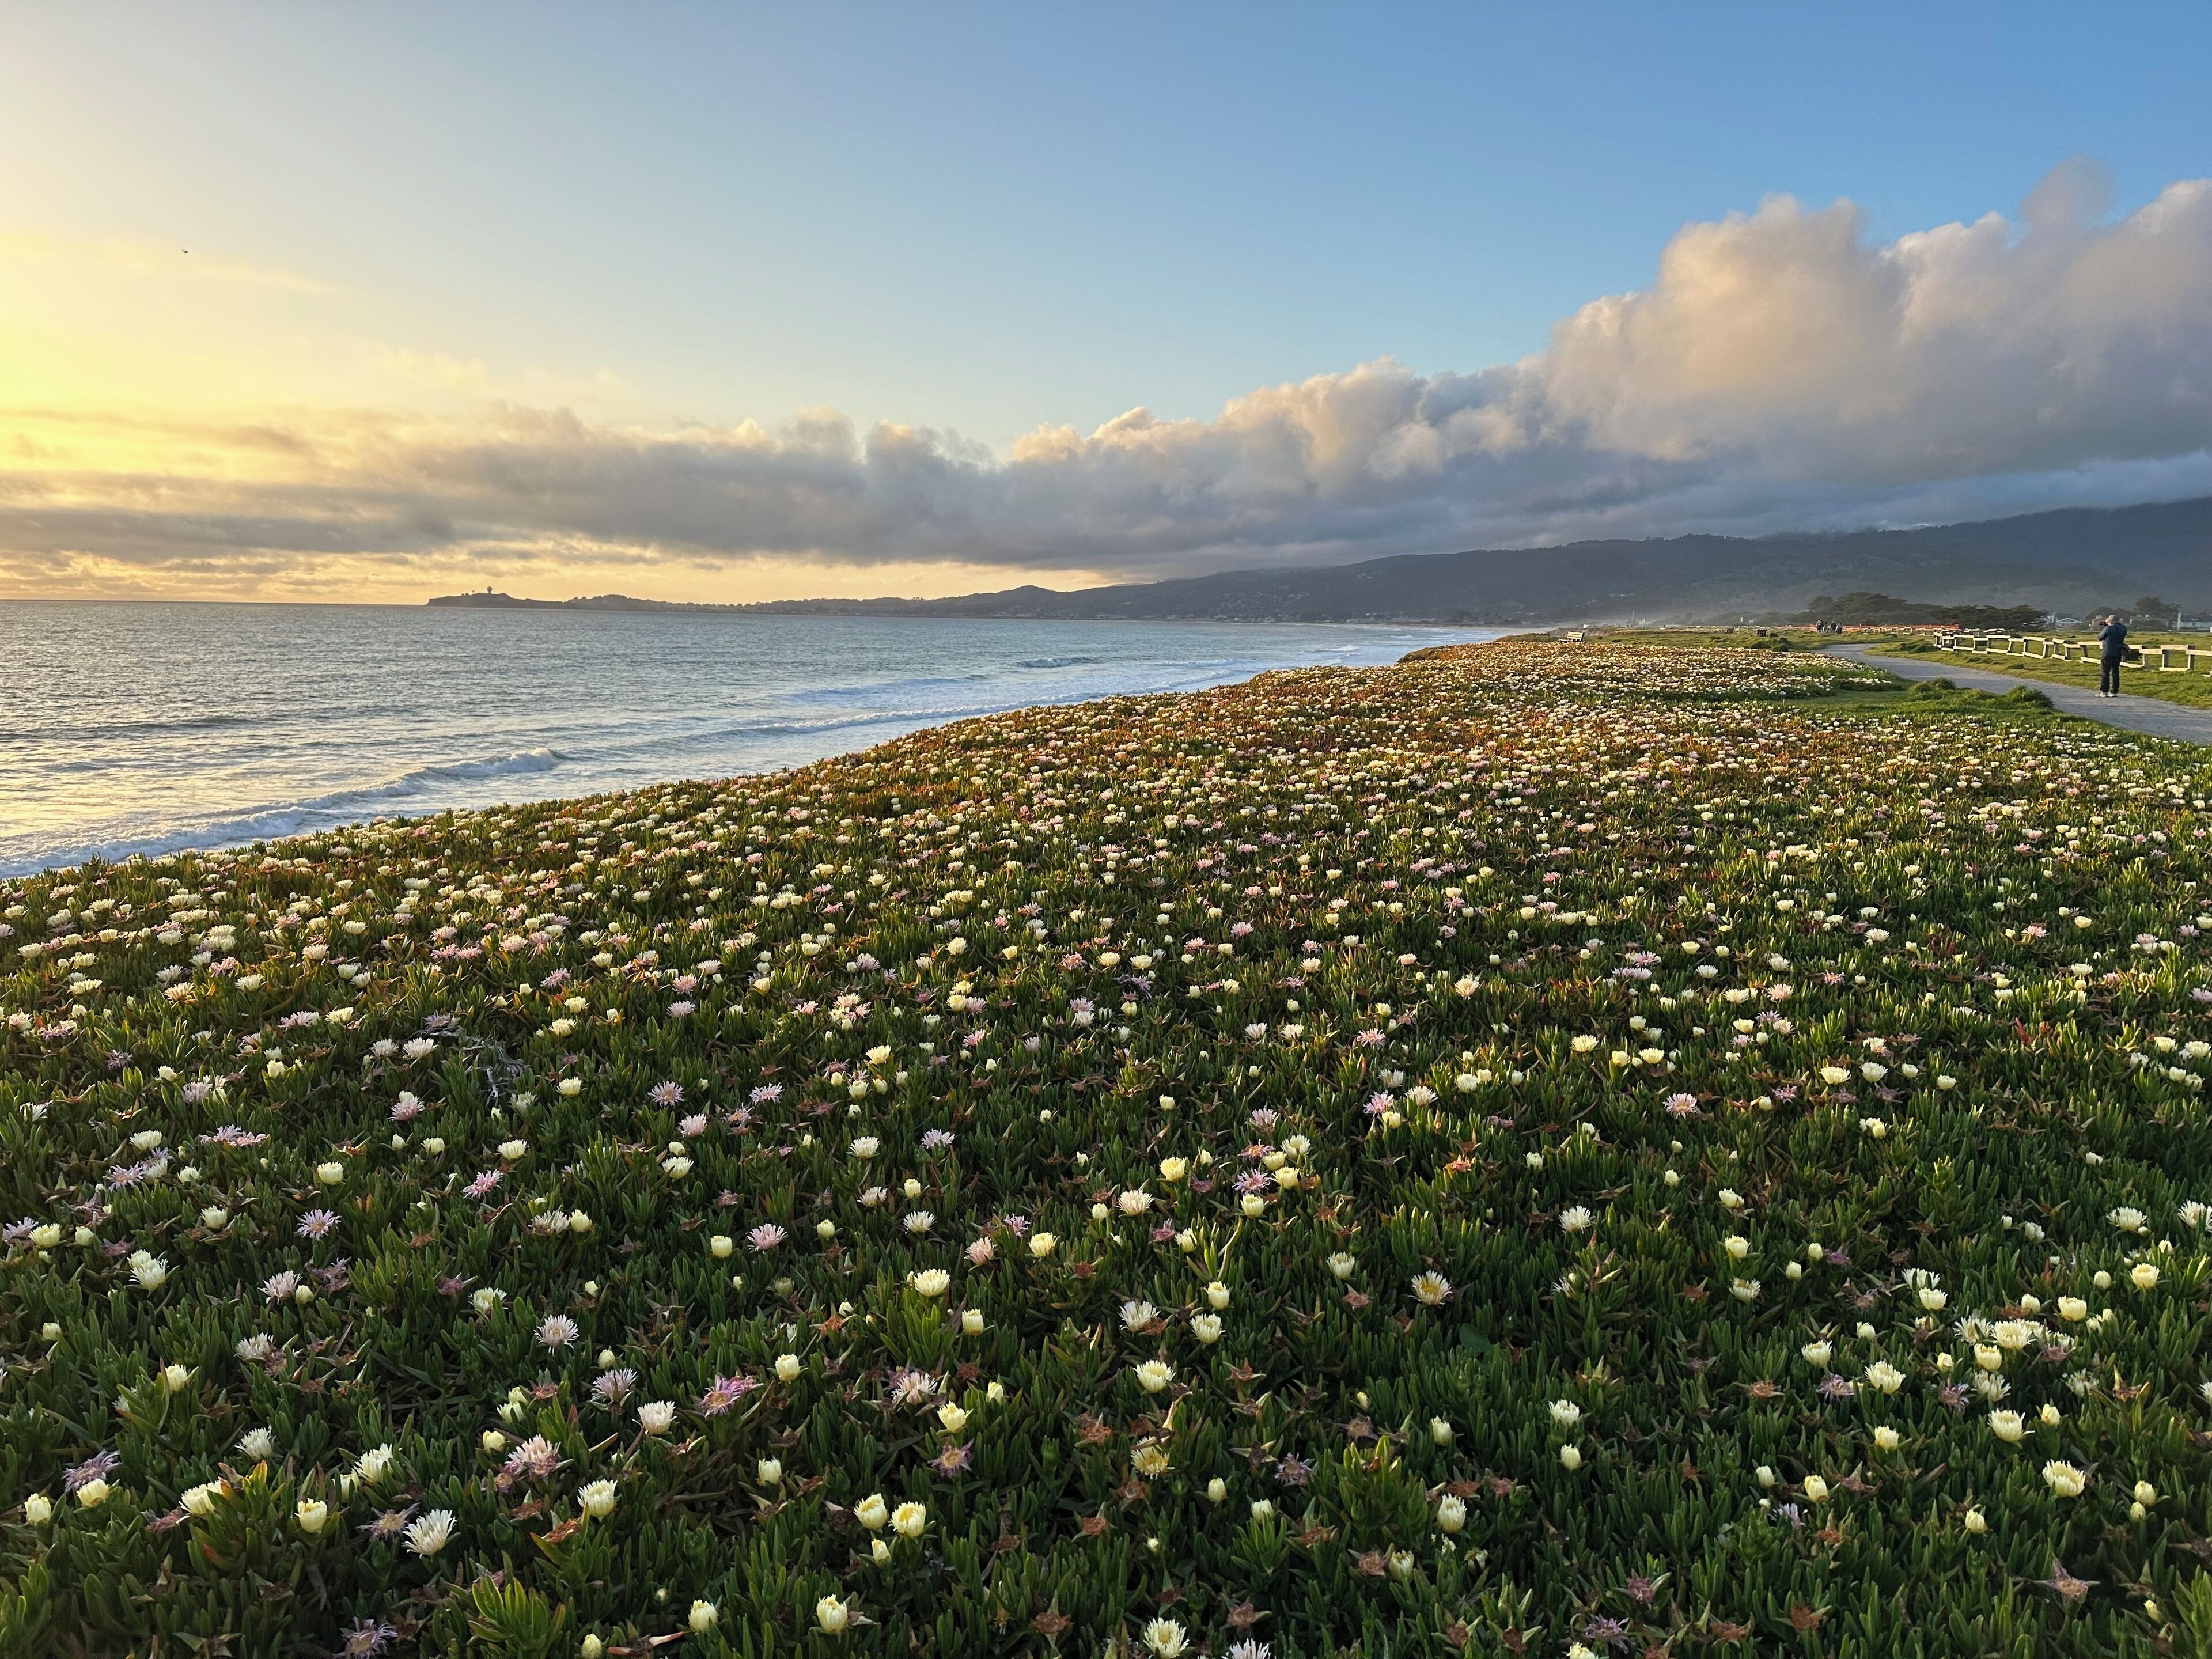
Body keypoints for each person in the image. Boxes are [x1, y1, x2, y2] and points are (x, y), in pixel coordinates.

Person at [2097, 613, 2129, 696]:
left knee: (2105, 672)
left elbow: (2100, 637)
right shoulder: (2124, 628)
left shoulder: (2109, 628)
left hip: (2108, 652)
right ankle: (2115, 691)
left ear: (2110, 621)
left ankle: (2104, 692)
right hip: (2118, 652)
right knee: (2116, 672)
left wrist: (2107, 627)